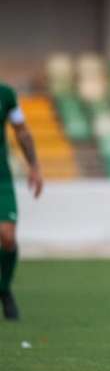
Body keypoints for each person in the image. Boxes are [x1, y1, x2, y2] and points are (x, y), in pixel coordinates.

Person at [0, 83, 43, 320]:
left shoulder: (5, 95)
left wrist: (34, 165)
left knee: (7, 236)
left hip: (1, 178)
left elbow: (22, 131)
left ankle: (4, 289)